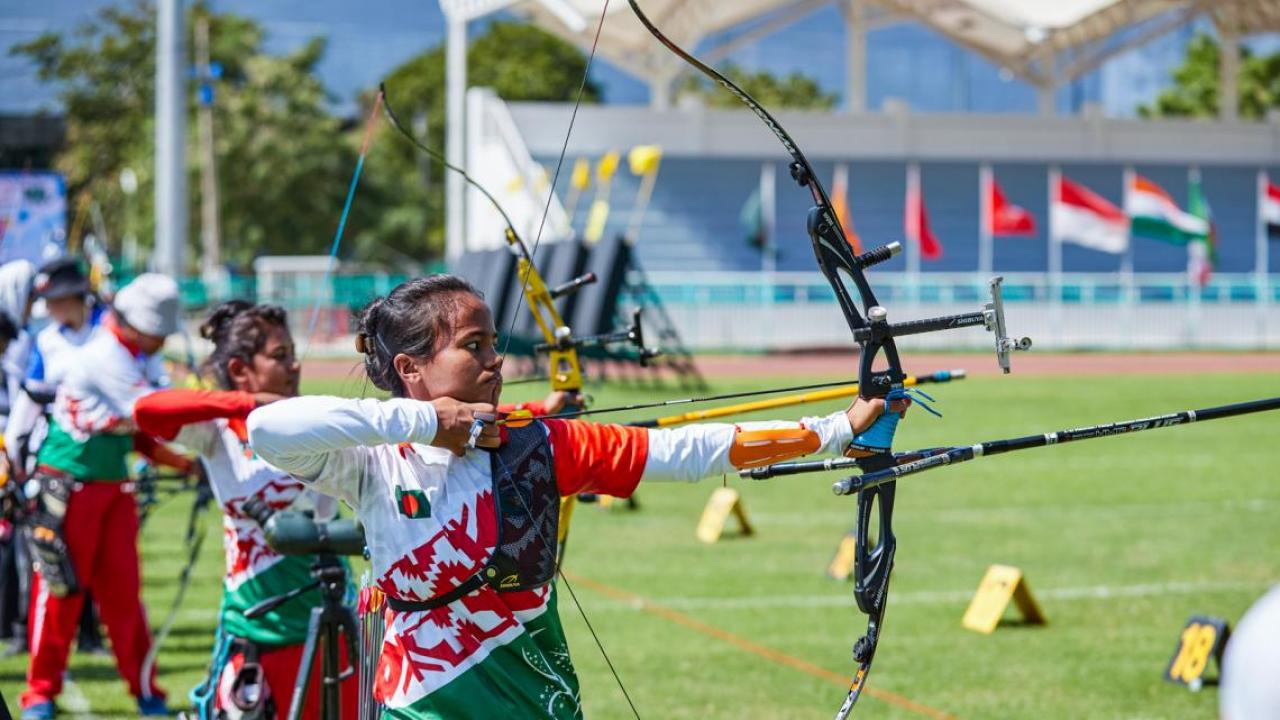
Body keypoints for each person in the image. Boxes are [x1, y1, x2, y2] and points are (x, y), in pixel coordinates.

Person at [248, 275, 908, 718]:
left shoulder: (539, 446)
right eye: (473, 347)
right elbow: (267, 428)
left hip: (536, 704)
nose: (495, 364)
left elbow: (685, 452)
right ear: (409, 369)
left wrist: (834, 429)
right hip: (420, 704)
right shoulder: (370, 462)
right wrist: (424, 422)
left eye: (494, 347)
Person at [133, 300, 358, 718]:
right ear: (240, 370)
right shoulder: (217, 433)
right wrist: (244, 405)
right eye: (279, 357)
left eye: (292, 354)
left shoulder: (314, 419)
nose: (294, 367)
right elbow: (146, 412)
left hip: (328, 624)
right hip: (251, 630)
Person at [20, 273, 184, 719]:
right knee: (59, 591)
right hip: (68, 483)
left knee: (124, 597)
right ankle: (39, 693)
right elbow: (31, 399)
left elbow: (139, 428)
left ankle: (147, 690)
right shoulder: (98, 350)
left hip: (114, 486)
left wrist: (185, 463)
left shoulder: (130, 352)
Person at [2, 257, 108, 657]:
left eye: (56, 299)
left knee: (92, 563)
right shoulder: (46, 341)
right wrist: (13, 451)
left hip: (102, 469)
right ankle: (35, 643)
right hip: (51, 465)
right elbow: (28, 400)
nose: (48, 309)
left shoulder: (107, 336)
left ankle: (90, 635)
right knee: (48, 559)